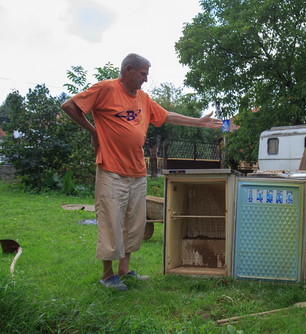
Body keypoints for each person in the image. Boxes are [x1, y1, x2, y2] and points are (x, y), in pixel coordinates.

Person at [61, 53, 222, 290]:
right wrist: (93, 131)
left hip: (137, 171)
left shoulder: (143, 98)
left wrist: (199, 122)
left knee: (134, 224)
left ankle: (124, 270)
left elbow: (166, 116)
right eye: (143, 74)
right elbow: (70, 106)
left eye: (147, 74)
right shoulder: (106, 89)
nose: (146, 79)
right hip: (110, 169)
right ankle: (107, 276)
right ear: (127, 70)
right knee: (111, 221)